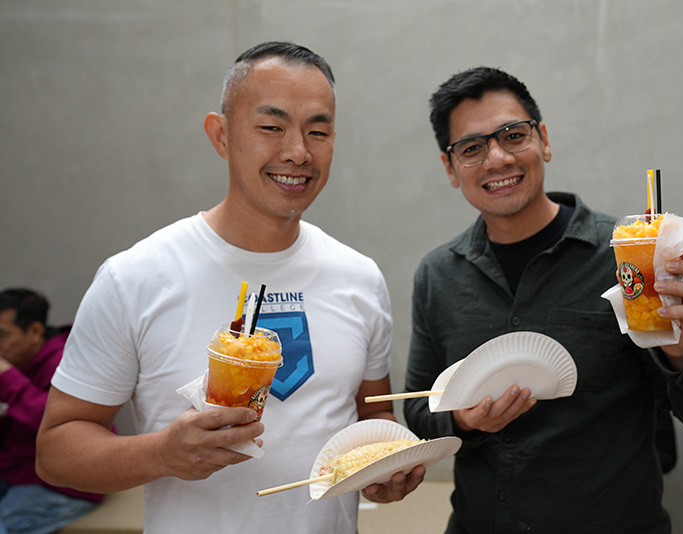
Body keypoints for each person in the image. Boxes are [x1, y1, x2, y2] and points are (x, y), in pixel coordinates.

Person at [36, 41, 423, 534]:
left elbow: (371, 424)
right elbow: (55, 453)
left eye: (318, 131)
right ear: (220, 135)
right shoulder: (135, 276)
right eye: (271, 127)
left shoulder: (359, 277)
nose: (298, 152)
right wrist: (163, 453)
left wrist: (383, 471)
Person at [403, 67, 683, 533]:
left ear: (543, 139)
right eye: (472, 148)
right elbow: (419, 409)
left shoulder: (626, 255)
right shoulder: (439, 275)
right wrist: (461, 420)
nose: (498, 158)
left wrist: (682, 349)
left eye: (513, 134)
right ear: (450, 168)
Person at [0, 288, 102, 534]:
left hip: (63, 483)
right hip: (16, 470)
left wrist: (6, 376)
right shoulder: (20, 361)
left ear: (35, 331)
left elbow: (59, 421)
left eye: (2, 335)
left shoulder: (68, 361)